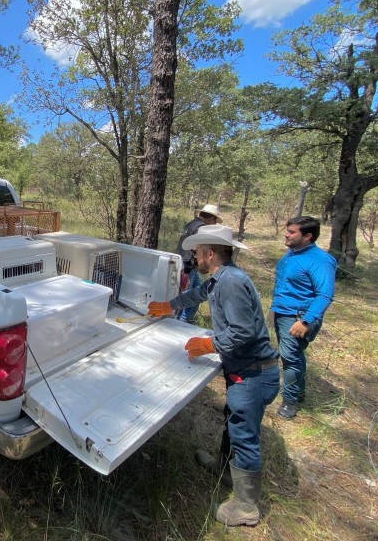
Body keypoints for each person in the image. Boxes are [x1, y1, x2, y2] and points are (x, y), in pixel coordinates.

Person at [148, 224, 279, 527]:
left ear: (210, 253)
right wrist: (169, 306)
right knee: (233, 420)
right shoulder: (220, 279)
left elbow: (243, 333)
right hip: (245, 371)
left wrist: (208, 344)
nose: (194, 258)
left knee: (244, 435)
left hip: (254, 374)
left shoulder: (231, 282)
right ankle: (225, 468)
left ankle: (246, 507)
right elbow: (197, 293)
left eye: (196, 253)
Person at [270, 216, 336, 420]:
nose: (286, 234)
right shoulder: (292, 253)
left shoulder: (320, 261)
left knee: (290, 359)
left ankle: (290, 401)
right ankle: (299, 391)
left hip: (297, 318)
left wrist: (306, 321)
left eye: (292, 232)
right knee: (294, 356)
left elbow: (325, 294)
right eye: (287, 230)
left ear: (308, 236)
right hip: (282, 312)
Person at [174, 204, 222, 323]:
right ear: (210, 218)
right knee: (186, 296)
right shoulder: (201, 228)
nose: (214, 223)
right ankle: (181, 322)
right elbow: (197, 248)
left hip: (187, 264)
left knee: (197, 291)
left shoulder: (191, 224)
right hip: (188, 266)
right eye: (214, 220)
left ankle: (187, 318)